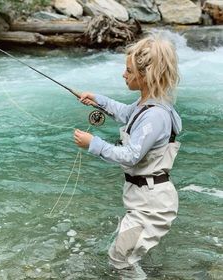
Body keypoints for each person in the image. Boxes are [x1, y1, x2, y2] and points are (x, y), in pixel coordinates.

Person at [74, 33, 182, 279]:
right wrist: (98, 100)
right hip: (144, 198)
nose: (124, 74)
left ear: (146, 76)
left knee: (120, 259)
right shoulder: (148, 103)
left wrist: (94, 144)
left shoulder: (155, 115)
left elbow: (131, 155)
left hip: (152, 205)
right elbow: (126, 113)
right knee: (124, 255)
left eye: (129, 70)